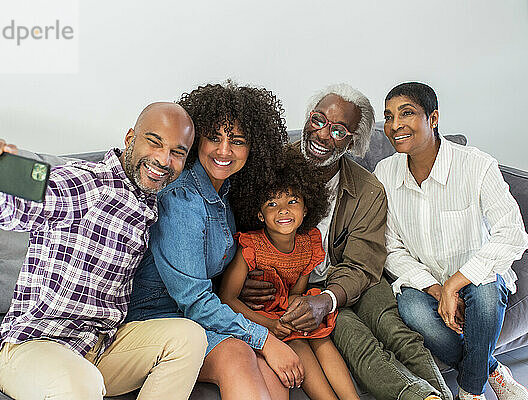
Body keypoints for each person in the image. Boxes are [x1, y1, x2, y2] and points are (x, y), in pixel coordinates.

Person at [0, 102, 207, 400]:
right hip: (34, 348)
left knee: (189, 337)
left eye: (177, 152)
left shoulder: (149, 200)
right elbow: (24, 207)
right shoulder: (86, 182)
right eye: (154, 142)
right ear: (130, 139)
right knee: (81, 382)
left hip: (100, 349)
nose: (163, 159)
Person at [240, 83, 453, 400]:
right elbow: (245, 238)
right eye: (318, 121)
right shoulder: (270, 170)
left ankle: (443, 395)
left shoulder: (367, 188)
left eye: (339, 131)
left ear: (354, 142)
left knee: (396, 330)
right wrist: (245, 280)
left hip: (351, 281)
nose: (323, 135)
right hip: (299, 288)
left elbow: (362, 264)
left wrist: (327, 299)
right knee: (355, 338)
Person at [125, 82, 303, 400]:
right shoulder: (181, 198)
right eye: (214, 138)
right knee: (238, 353)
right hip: (155, 320)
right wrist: (265, 338)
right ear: (197, 141)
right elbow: (193, 300)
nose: (224, 151)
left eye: (237, 141)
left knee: (273, 373)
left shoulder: (226, 189)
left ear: (252, 148)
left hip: (195, 315)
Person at [374, 82, 528, 400]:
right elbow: (390, 246)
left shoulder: (475, 165)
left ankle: (470, 391)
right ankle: (492, 370)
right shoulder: (385, 173)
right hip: (423, 279)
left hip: (478, 273)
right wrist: (435, 287)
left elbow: (512, 233)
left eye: (407, 113)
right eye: (389, 117)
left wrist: (455, 283)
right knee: (415, 316)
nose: (394, 125)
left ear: (433, 118)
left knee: (485, 301)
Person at [219, 147, 359, 400]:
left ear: (306, 208)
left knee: (320, 337)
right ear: (259, 214)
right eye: (272, 204)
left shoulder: (309, 243)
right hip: (259, 317)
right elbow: (227, 299)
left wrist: (298, 309)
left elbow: (296, 292)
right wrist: (272, 324)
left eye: (292, 201)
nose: (283, 210)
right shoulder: (250, 247)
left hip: (285, 312)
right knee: (298, 343)